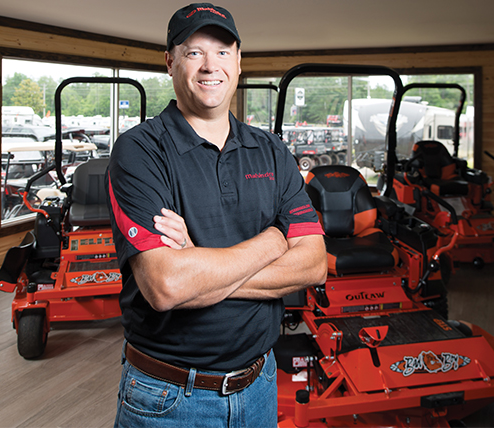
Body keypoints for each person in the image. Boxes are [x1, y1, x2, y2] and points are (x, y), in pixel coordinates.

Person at [106, 3, 327, 427]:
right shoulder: (140, 151)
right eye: (194, 52)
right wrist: (273, 240)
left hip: (259, 384)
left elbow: (314, 265)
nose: (211, 66)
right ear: (170, 62)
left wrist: (200, 263)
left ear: (239, 61)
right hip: (168, 397)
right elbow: (167, 285)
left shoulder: (272, 151)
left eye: (223, 51)